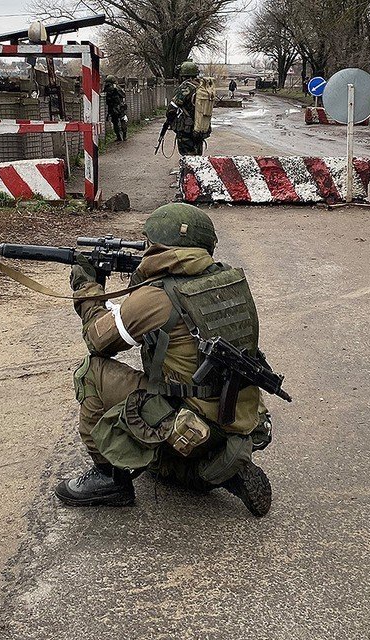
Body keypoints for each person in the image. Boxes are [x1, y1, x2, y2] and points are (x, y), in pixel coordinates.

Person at [54, 203, 275, 517]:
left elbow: (98, 340)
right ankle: (222, 468)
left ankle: (109, 478)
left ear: (161, 246)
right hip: (234, 418)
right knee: (181, 409)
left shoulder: (157, 297)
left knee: (92, 372)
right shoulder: (230, 280)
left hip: (186, 421)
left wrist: (86, 285)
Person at [162, 61, 210, 156]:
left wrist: (169, 121)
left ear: (183, 75)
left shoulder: (185, 88)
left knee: (187, 157)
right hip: (199, 128)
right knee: (197, 157)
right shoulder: (201, 86)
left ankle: (188, 171)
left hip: (186, 130)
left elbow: (172, 109)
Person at [103, 75, 128, 142]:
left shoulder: (109, 87)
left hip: (114, 107)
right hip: (118, 107)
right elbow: (123, 95)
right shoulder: (117, 87)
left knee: (116, 122)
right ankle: (123, 136)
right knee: (122, 121)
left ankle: (119, 137)